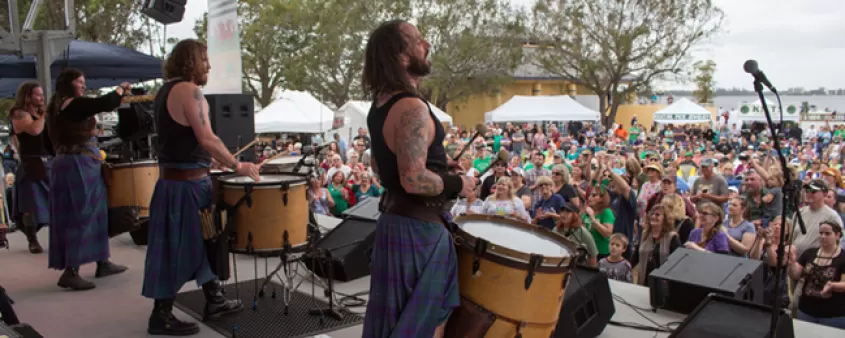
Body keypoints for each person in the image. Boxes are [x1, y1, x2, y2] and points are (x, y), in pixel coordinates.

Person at [361, 20, 476, 337]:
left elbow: (378, 163)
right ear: (400, 55)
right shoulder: (410, 106)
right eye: (418, 40)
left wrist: (439, 167)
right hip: (419, 231)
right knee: (423, 326)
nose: (427, 45)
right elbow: (413, 179)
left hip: (396, 224)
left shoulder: (381, 104)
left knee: (394, 322)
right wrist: (458, 184)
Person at [141, 39, 259, 336]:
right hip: (185, 188)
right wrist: (238, 166)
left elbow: (190, 144)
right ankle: (161, 315)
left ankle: (214, 300)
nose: (209, 65)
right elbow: (208, 138)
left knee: (203, 244)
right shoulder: (189, 91)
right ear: (190, 61)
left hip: (180, 182)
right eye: (204, 59)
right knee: (179, 248)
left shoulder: (168, 90)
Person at [45, 68, 128, 290]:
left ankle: (102, 261)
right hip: (78, 163)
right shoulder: (72, 104)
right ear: (69, 84)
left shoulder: (55, 109)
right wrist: (120, 89)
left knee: (94, 212)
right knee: (80, 214)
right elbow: (104, 103)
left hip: (71, 162)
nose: (83, 85)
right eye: (80, 82)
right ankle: (71, 271)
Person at [8, 81, 51, 253]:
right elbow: (34, 130)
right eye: (38, 94)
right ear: (28, 96)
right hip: (31, 163)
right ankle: (32, 240)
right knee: (30, 206)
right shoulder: (19, 113)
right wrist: (44, 115)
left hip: (48, 161)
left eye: (42, 94)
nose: (41, 97)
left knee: (53, 202)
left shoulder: (40, 113)